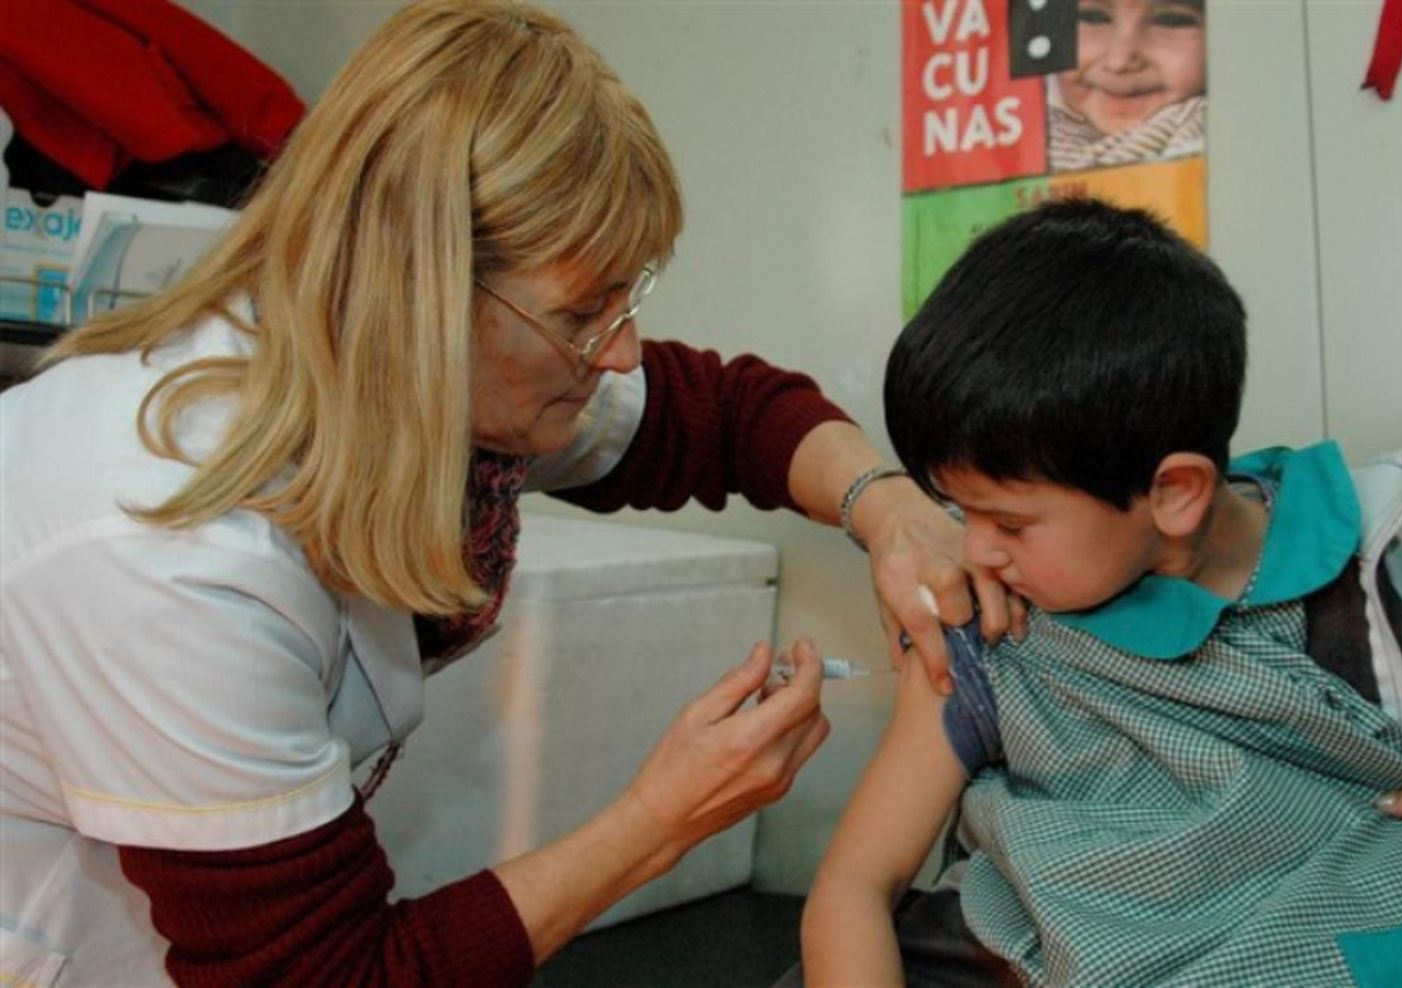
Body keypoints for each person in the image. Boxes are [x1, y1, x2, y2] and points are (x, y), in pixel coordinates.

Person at [0, 3, 1017, 984]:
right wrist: (657, 820)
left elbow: (725, 416)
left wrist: (890, 508)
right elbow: (325, 973)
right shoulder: (162, 545)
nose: (618, 349)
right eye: (584, 311)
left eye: (631, 298)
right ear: (428, 291)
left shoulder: (430, 373)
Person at [798, 199, 1402, 987]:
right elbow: (855, 885)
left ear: (1173, 493)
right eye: (960, 512)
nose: (972, 550)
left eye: (1010, 522)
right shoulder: (988, 623)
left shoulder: (1361, 589)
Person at [1047, 0, 1207, 172]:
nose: (1118, 62)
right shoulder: (1028, 119)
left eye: (1171, 21)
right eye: (1094, 18)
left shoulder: (1202, 128)